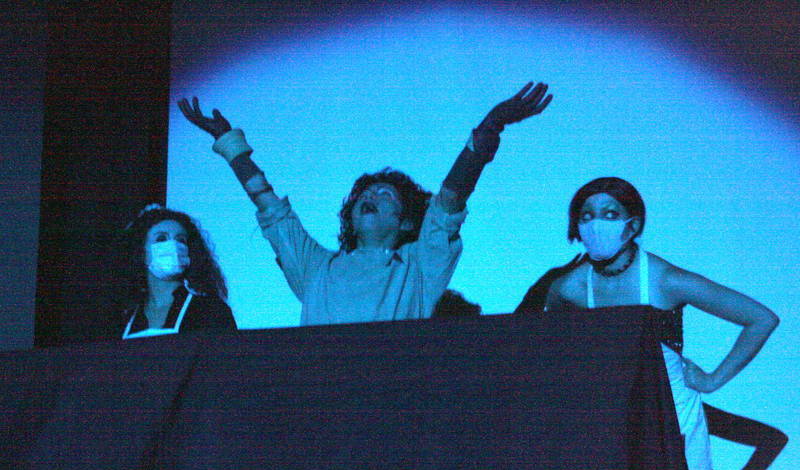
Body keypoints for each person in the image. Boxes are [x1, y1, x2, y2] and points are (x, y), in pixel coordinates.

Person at [178, 82, 552, 326]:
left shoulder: (419, 267)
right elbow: (273, 212)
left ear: (407, 222)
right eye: (365, 195)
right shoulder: (316, 268)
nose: (371, 197)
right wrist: (230, 145)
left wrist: (490, 126)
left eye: (386, 195)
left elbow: (451, 200)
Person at [543, 177, 780, 470]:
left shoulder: (666, 280)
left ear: (632, 224)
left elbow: (761, 319)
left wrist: (712, 381)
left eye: (610, 214)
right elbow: (547, 342)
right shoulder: (569, 288)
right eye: (586, 215)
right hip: (612, 422)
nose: (596, 224)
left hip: (676, 419)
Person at [112, 204, 236, 339]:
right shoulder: (123, 318)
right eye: (161, 239)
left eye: (180, 240)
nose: (173, 245)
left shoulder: (211, 310)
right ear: (140, 251)